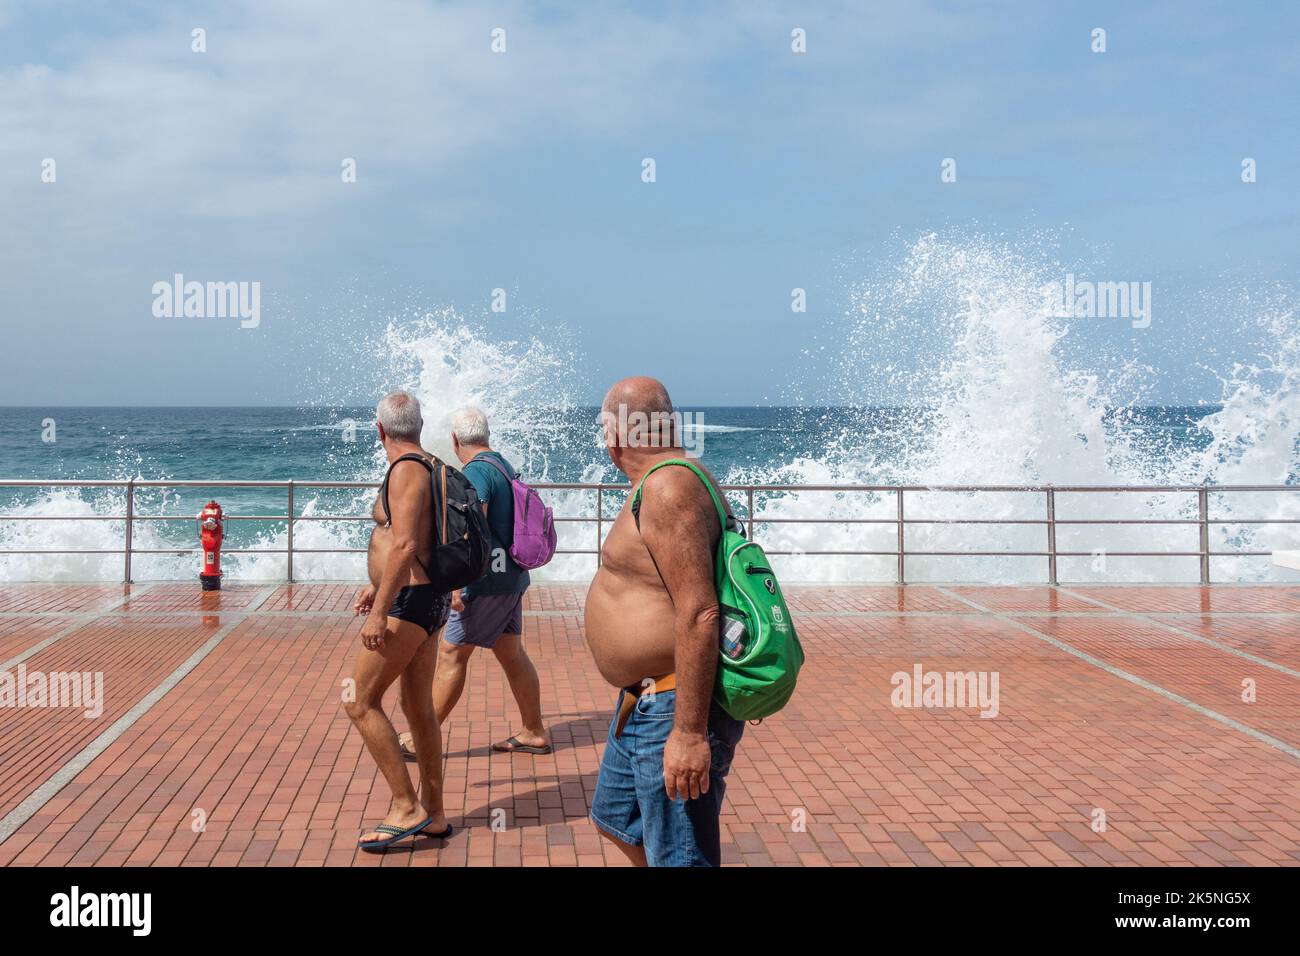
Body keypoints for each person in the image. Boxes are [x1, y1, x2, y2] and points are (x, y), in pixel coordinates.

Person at [584, 376, 744, 866]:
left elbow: (700, 612)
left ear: (615, 434)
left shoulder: (669, 487)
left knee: (681, 856)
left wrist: (690, 734)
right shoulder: (657, 482)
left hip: (674, 706)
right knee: (617, 818)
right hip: (644, 700)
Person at [397, 406, 551, 758]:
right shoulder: (501, 464)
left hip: (485, 582)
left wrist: (456, 583)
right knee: (512, 654)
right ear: (486, 434)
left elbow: (471, 527)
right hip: (511, 576)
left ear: (455, 440)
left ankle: (421, 739)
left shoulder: (477, 471)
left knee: (452, 654)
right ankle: (533, 731)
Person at [345, 390, 453, 851]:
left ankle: (406, 806)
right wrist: (377, 584)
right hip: (426, 599)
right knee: (418, 707)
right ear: (420, 424)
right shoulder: (432, 465)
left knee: (359, 699)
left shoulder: (406, 469)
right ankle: (435, 813)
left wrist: (381, 612)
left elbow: (405, 544)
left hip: (409, 606)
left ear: (380, 429)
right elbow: (413, 541)